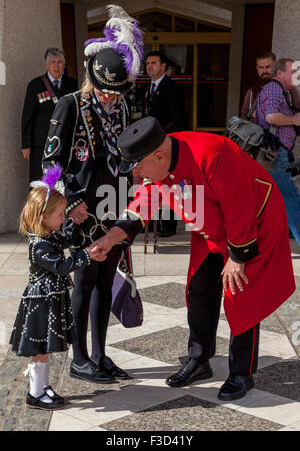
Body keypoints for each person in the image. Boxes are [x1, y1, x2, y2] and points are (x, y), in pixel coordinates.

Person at [90, 116, 295, 401]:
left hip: (254, 222)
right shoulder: (160, 159)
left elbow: (240, 207)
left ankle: (240, 372)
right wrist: (110, 238)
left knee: (241, 295)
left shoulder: (212, 155)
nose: (135, 175)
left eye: (137, 168)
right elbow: (142, 202)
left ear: (159, 157)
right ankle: (199, 360)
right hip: (209, 223)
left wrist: (237, 256)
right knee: (198, 289)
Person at [42, 5, 144, 383]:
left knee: (106, 280)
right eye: (104, 91)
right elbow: (50, 163)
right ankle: (80, 358)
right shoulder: (69, 105)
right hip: (83, 208)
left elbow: (128, 153)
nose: (109, 98)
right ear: (91, 81)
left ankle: (101, 355)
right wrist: (70, 203)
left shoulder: (122, 106)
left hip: (115, 204)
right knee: (84, 281)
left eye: (116, 92)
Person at [9, 166, 104, 411]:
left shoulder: (50, 235)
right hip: (40, 303)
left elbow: (67, 238)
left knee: (46, 349)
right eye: (60, 214)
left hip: (50, 300)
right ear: (43, 216)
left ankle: (43, 387)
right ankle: (35, 393)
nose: (62, 218)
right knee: (40, 349)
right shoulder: (39, 245)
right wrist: (86, 256)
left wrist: (72, 221)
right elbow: (61, 265)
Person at [255, 58, 300, 244]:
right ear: (280, 73)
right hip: (275, 153)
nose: (297, 75)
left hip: (279, 153)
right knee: (291, 199)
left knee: (279, 200)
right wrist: (294, 120)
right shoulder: (274, 88)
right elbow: (271, 116)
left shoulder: (284, 91)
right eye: (293, 71)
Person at [144, 51, 187, 237]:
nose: (149, 66)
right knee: (154, 181)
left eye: (153, 63)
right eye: (147, 63)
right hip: (152, 144)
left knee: (169, 182)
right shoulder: (147, 88)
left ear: (163, 67)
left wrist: (164, 138)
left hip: (167, 141)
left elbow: (178, 118)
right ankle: (154, 222)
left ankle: (168, 225)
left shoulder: (172, 87)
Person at [21, 47, 78, 182]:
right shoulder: (35, 85)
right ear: (47, 65)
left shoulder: (72, 84)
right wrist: (26, 145)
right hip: (41, 145)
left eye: (59, 62)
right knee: (38, 183)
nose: (56, 66)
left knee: (61, 183)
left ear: (64, 65)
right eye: (53, 62)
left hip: (65, 143)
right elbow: (27, 117)